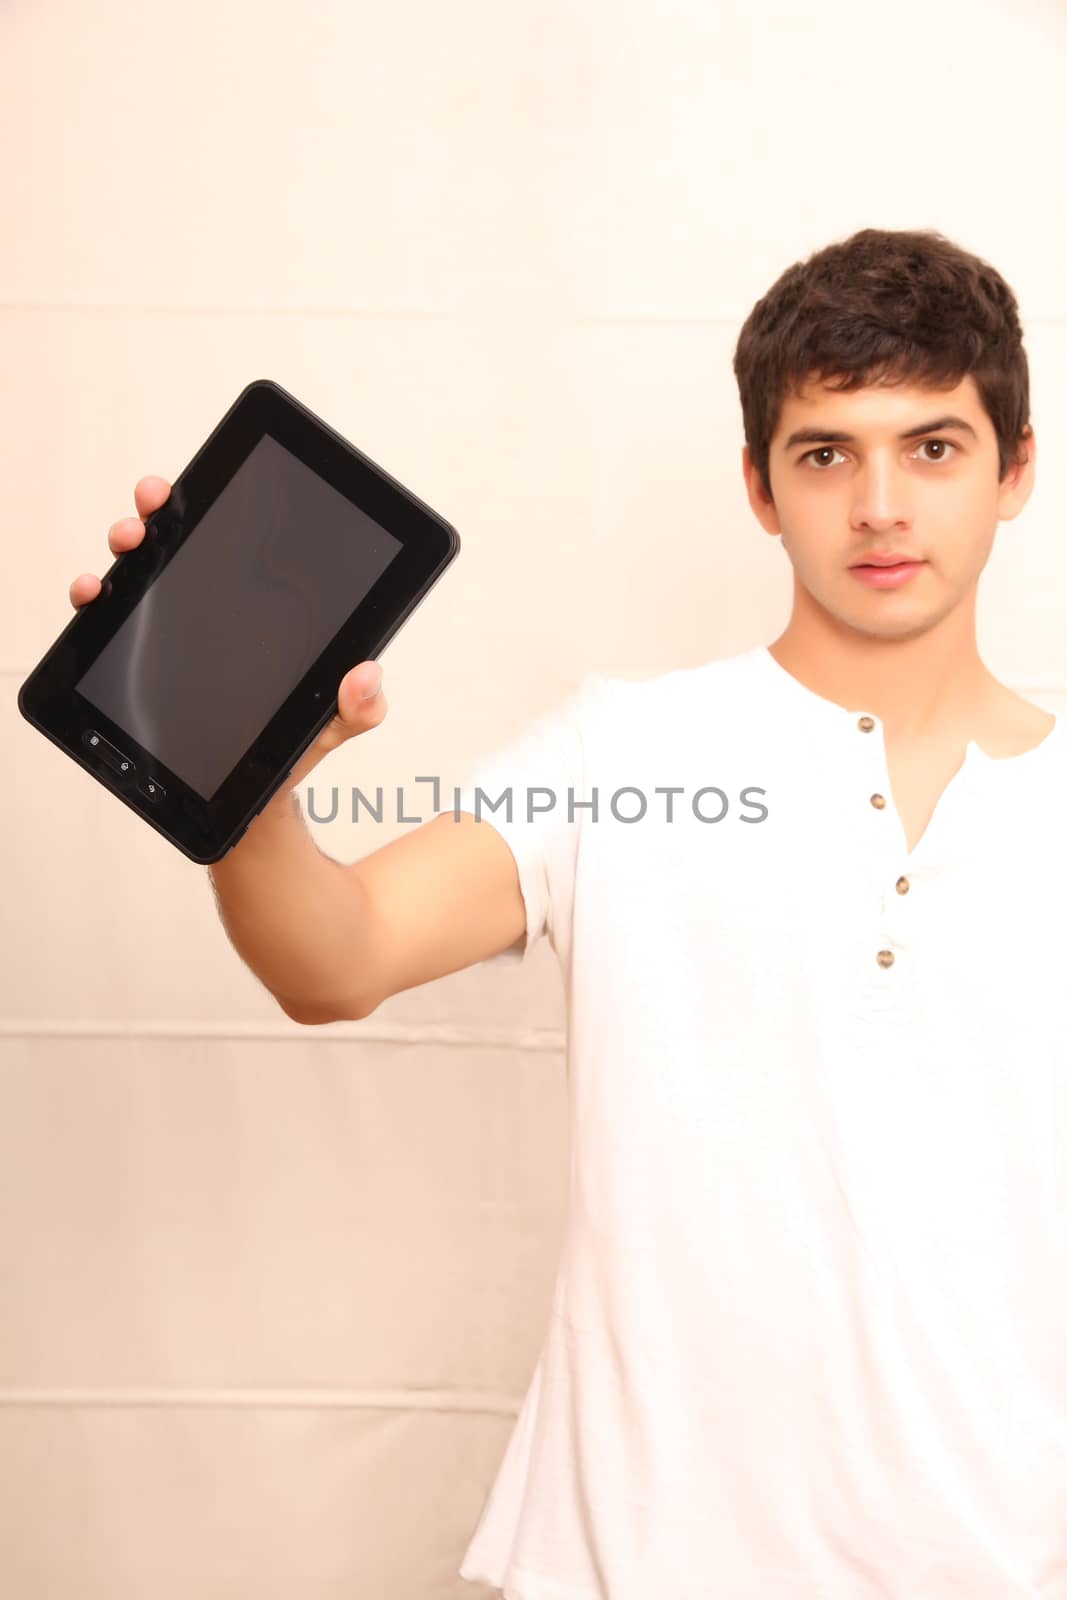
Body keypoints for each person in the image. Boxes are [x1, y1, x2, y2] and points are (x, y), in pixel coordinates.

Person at [69, 227, 1067, 1597]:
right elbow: (335, 958)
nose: (880, 505)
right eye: (826, 453)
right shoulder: (622, 754)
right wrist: (251, 793)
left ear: (1017, 467)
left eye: (934, 447)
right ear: (760, 490)